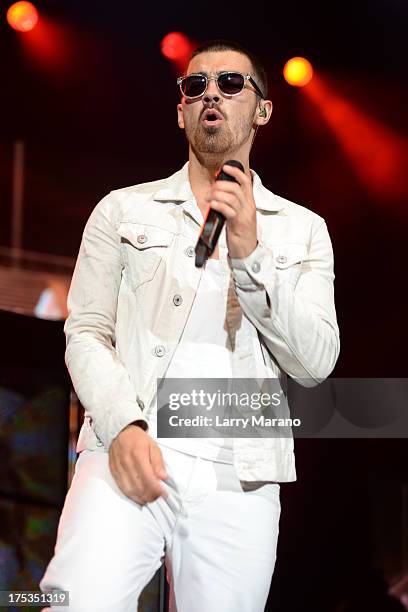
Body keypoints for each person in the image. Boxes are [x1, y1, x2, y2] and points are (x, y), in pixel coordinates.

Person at [39, 39, 340, 611]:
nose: (211, 94)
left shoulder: (303, 231)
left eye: (230, 84)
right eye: (194, 85)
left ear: (262, 109)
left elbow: (316, 362)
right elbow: (86, 332)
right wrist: (122, 426)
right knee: (70, 602)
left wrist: (250, 254)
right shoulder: (122, 210)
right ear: (180, 111)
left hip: (241, 473)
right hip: (130, 445)